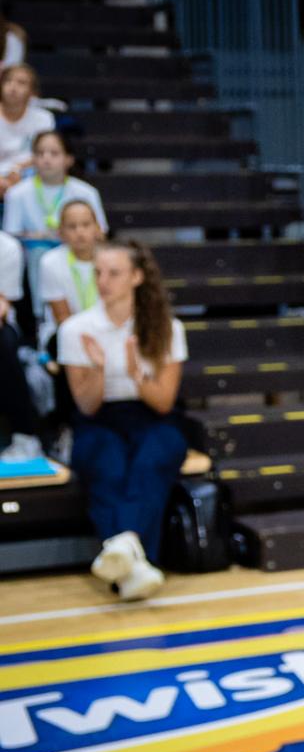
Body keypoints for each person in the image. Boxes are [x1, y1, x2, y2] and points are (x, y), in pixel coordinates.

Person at [58, 239, 188, 602]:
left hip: (150, 415)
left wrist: (135, 374)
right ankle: (139, 565)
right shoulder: (76, 329)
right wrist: (99, 370)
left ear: (136, 277)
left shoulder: (167, 328)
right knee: (107, 463)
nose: (104, 281)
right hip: (99, 418)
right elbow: (87, 406)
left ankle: (125, 549)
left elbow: (163, 402)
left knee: (155, 455)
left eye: (114, 273)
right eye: (98, 273)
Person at [2, 131, 107, 245]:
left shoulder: (87, 193)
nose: (46, 159)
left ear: (69, 159)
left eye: (54, 153)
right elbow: (11, 239)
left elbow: (100, 235)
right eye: (40, 153)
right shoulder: (15, 193)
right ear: (33, 159)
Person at [37, 195, 102, 341]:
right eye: (72, 226)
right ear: (60, 232)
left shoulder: (112, 260)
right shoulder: (50, 262)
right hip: (66, 333)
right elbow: (62, 317)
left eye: (86, 224)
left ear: (98, 228)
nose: (79, 232)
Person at [0, 228, 40, 460]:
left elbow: (2, 306)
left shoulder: (7, 247)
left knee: (2, 343)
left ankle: (25, 435)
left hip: (3, 325)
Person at [0, 63, 54, 189]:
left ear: (32, 92)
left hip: (28, 174)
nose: (13, 87)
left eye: (21, 83)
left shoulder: (44, 118)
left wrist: (18, 169)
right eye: (8, 81)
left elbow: (44, 152)